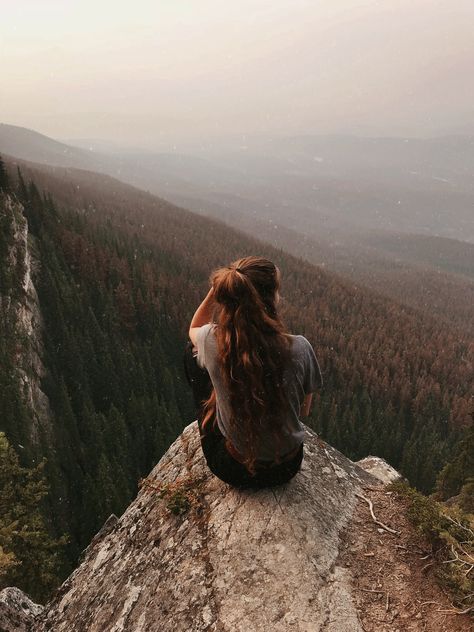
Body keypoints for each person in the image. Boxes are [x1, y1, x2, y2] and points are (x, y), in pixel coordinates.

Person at [184, 256, 323, 489]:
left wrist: (215, 290)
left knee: (191, 353)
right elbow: (304, 410)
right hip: (286, 468)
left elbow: (194, 328)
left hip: (234, 469)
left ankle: (213, 409)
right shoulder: (300, 347)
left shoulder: (212, 341)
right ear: (273, 297)